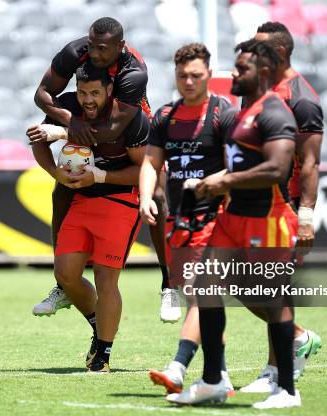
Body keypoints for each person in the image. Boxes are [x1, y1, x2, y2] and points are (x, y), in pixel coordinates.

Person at [167, 40, 302, 409]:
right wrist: (215, 183)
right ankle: (212, 380)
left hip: (268, 218)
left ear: (262, 73)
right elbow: (242, 164)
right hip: (233, 216)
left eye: (241, 68)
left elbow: (277, 168)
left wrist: (223, 182)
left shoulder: (275, 112)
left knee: (275, 301)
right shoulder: (245, 111)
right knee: (206, 287)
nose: (234, 73)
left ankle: (287, 390)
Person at [31, 17, 176, 322]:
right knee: (62, 193)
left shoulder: (134, 73)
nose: (95, 54)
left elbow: (111, 129)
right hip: (88, 115)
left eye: (104, 49)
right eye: (93, 46)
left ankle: (169, 282)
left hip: (129, 124)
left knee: (158, 193)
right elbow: (41, 95)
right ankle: (63, 286)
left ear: (120, 47)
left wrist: (60, 132)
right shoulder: (75, 52)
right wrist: (70, 120)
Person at [28, 61, 148, 372]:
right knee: (65, 274)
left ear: (109, 89)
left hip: (120, 201)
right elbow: (39, 141)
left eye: (95, 92)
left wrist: (99, 177)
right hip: (81, 200)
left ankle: (103, 355)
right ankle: (99, 323)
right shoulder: (66, 105)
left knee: (106, 279)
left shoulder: (129, 116)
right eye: (83, 93)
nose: (89, 100)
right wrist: (56, 172)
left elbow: (143, 170)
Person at [138, 43, 236, 395]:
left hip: (216, 219)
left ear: (209, 73)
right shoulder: (165, 116)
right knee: (204, 301)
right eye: (182, 75)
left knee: (199, 295)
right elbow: (151, 162)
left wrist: (217, 183)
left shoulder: (223, 115)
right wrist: (147, 196)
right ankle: (219, 375)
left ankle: (178, 367)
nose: (189, 81)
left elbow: (239, 166)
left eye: (196, 75)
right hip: (179, 221)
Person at [237, 21, 324, 393]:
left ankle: (276, 373)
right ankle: (298, 337)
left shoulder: (301, 97)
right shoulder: (257, 85)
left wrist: (304, 215)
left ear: (281, 53)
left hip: (282, 206)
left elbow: (310, 162)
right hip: (251, 200)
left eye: (260, 50)